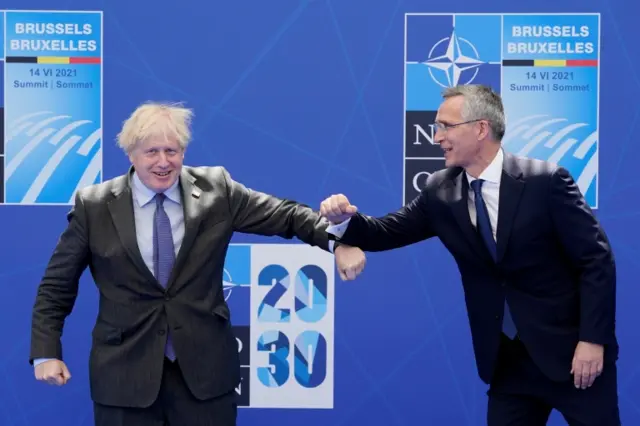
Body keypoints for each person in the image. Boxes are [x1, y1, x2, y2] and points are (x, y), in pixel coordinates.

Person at [29, 101, 366, 426]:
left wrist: (338, 240)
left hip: (205, 380)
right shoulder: (95, 205)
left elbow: (287, 216)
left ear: (183, 152)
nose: (163, 161)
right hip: (123, 380)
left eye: (171, 151)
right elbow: (57, 286)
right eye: (152, 152)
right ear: (131, 154)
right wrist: (47, 352)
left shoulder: (217, 190)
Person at [320, 85, 619, 425]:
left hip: (574, 359)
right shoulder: (440, 191)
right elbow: (385, 232)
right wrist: (344, 221)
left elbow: (596, 261)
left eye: (445, 126)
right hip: (506, 363)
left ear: (480, 128)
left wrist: (592, 341)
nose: (436, 137)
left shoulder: (546, 182)